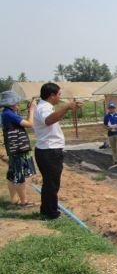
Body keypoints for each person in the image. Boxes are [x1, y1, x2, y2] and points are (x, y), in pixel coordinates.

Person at [34, 82, 82, 220]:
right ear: (52, 95)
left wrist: (66, 108)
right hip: (49, 151)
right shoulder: (44, 107)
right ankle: (51, 214)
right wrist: (66, 107)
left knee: (50, 183)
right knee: (52, 184)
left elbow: (52, 119)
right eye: (59, 94)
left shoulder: (45, 107)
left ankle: (46, 210)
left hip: (47, 150)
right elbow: (49, 120)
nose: (60, 97)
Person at [0, 91, 36, 206]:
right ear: (11, 103)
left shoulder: (7, 113)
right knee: (19, 175)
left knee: (12, 175)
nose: (19, 105)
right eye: (17, 103)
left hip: (14, 149)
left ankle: (14, 199)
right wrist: (32, 110)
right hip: (17, 149)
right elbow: (29, 124)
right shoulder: (9, 114)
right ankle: (24, 202)